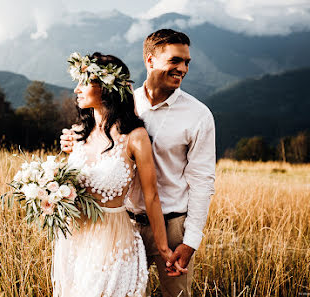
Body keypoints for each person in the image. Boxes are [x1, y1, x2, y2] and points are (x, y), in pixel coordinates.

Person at [61, 29, 216, 297]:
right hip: (121, 225)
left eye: (187, 62)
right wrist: (74, 146)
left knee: (176, 295)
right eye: (175, 61)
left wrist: (190, 241)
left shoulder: (199, 116)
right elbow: (100, 150)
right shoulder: (122, 104)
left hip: (171, 226)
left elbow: (203, 182)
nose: (183, 69)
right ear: (150, 61)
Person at [53, 52, 174, 297]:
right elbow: (72, 185)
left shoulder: (136, 136)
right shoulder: (77, 133)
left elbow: (151, 196)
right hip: (74, 239)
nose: (76, 89)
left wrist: (164, 248)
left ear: (107, 87)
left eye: (84, 81)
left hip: (114, 241)